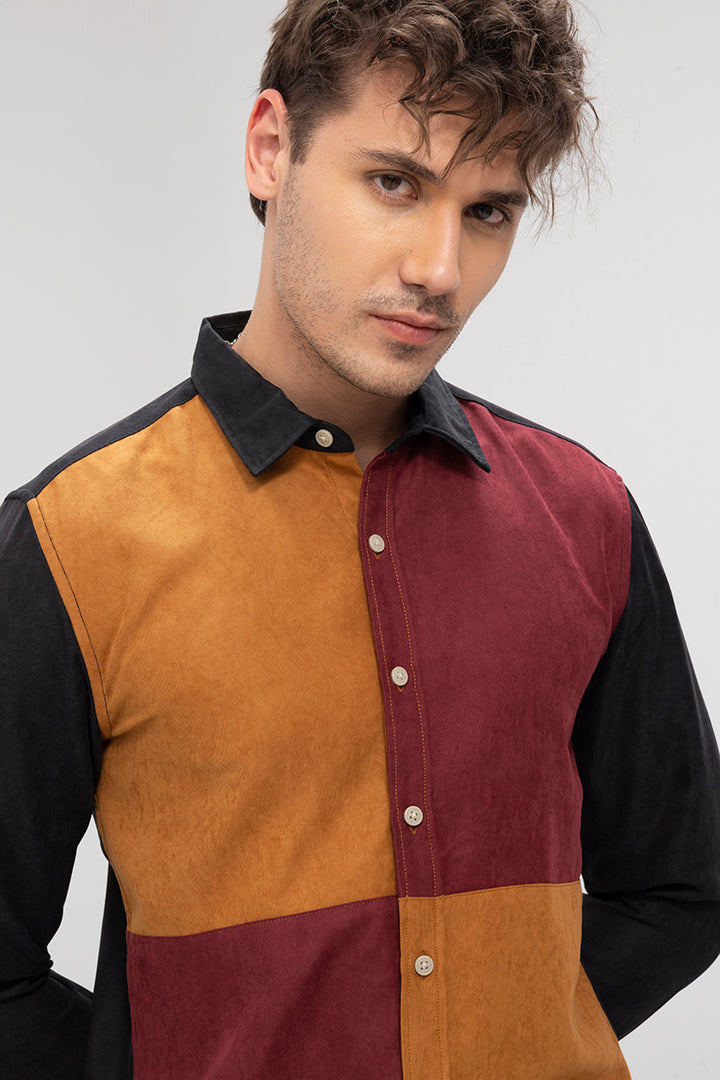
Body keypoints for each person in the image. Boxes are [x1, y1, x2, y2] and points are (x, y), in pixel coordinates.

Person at [1, 0, 719, 1077]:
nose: (441, 269)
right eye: (395, 183)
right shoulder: (70, 539)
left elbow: (683, 888)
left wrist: (512, 1032)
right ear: (270, 149)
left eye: (489, 211)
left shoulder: (585, 514)